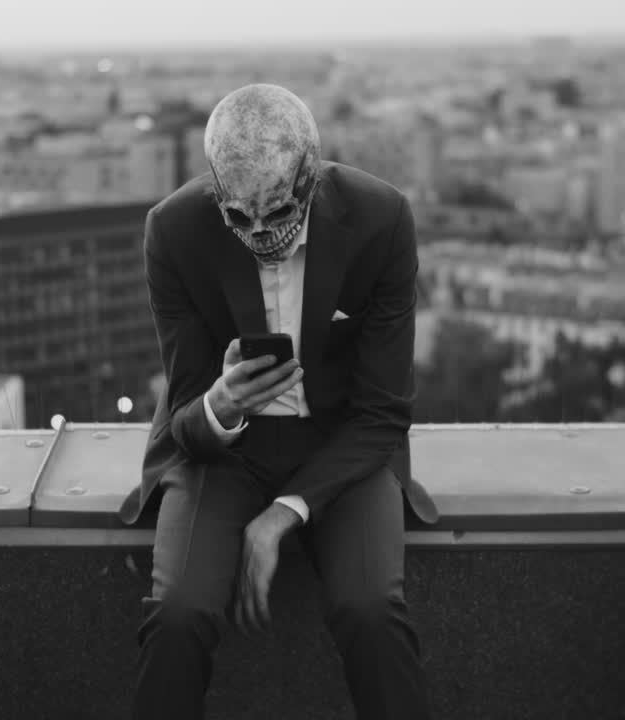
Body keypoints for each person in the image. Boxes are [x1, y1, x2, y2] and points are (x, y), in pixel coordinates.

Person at [119, 83, 439, 720]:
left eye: (279, 211)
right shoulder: (175, 229)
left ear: (312, 180)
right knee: (178, 615)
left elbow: (383, 410)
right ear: (216, 191)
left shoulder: (381, 219)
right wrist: (220, 404)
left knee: (371, 612)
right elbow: (185, 412)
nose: (261, 233)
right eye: (240, 216)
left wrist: (282, 514)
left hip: (344, 445)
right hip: (224, 456)